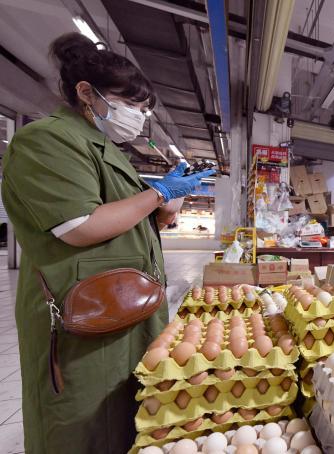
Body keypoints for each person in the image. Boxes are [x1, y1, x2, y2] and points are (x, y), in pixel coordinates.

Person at [1, 33, 214, 454]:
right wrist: (157, 193)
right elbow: (79, 226)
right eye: (130, 104)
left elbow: (128, 218)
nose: (138, 116)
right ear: (86, 93)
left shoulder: (107, 149)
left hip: (123, 303)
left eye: (143, 108)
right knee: (83, 424)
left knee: (124, 413)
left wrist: (166, 205)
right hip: (82, 312)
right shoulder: (47, 140)